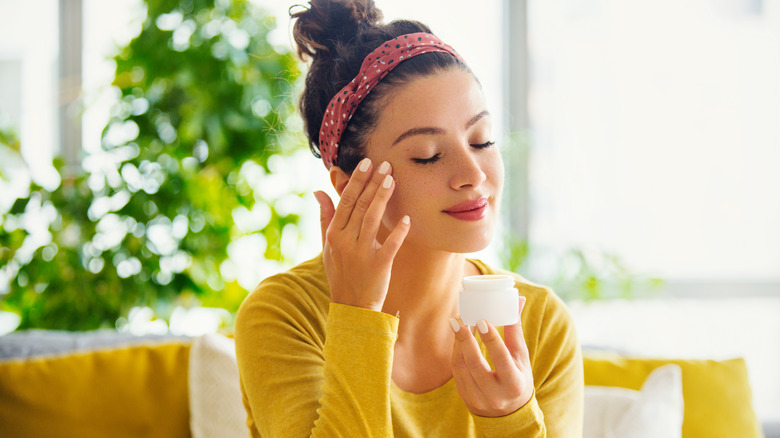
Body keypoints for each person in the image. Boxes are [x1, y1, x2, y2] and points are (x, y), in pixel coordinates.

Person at [234, 0, 583, 436]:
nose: (473, 175)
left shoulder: (540, 325)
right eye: (427, 156)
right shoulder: (285, 316)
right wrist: (356, 315)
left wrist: (510, 419)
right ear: (348, 186)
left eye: (482, 140)